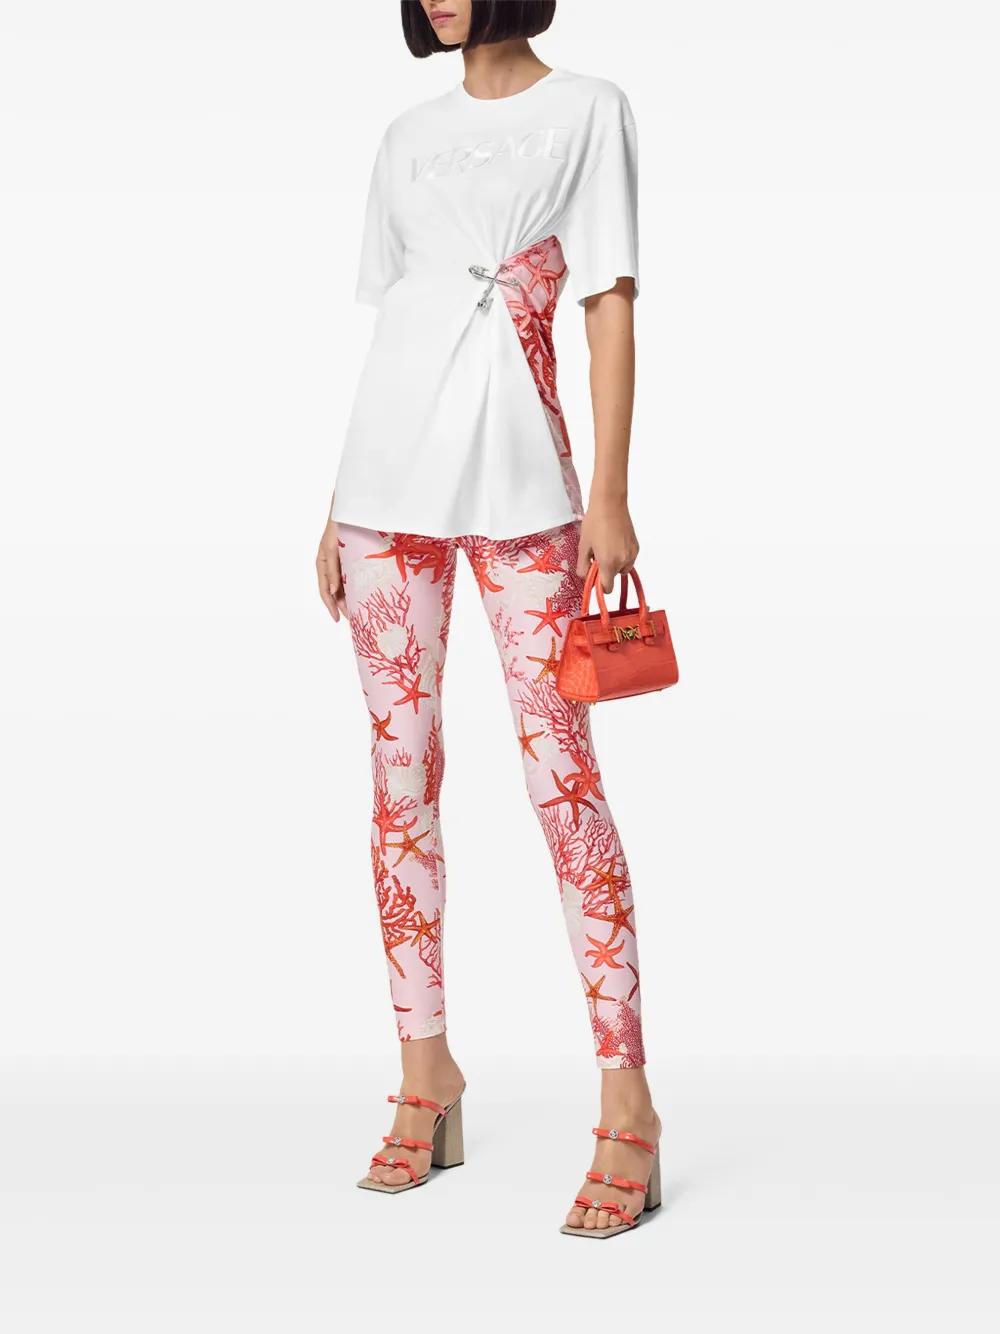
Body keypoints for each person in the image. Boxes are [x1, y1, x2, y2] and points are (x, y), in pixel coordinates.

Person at [316, 0, 660, 1237]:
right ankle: (426, 1074)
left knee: (563, 780)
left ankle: (627, 1099)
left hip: (526, 492)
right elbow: (401, 323)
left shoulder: (589, 111)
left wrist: (609, 493)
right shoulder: (405, 135)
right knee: (398, 780)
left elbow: (608, 302)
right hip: (382, 494)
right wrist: (335, 501)